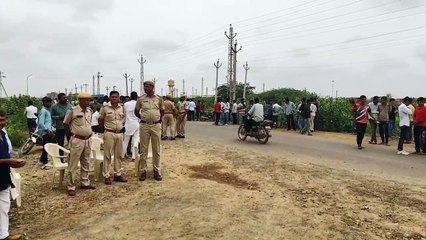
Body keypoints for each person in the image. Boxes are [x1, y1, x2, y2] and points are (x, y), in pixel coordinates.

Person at [63, 93, 95, 196]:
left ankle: (85, 182)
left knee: (86, 161)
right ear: (80, 100)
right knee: (73, 164)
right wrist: (70, 137)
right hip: (77, 139)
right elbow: (65, 124)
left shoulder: (89, 111)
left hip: (87, 140)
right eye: (85, 100)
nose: (88, 102)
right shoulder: (72, 111)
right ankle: (71, 186)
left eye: (89, 100)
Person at [0, 110, 25, 240]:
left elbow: (7, 153)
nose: (1, 123)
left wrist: (13, 163)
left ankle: (4, 235)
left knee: (4, 206)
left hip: (3, 175)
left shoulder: (3, 134)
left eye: (3, 120)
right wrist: (8, 161)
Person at [134, 80, 164, 181]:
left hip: (156, 126)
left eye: (147, 87)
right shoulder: (141, 99)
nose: (145, 88)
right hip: (144, 126)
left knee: (156, 149)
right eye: (144, 87)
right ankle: (143, 171)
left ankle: (156, 171)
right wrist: (144, 118)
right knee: (143, 150)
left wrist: (157, 120)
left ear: (152, 87)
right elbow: (136, 112)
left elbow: (162, 111)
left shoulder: (159, 99)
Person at [98, 91, 128, 185]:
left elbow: (124, 119)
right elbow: (100, 120)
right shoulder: (105, 108)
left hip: (119, 134)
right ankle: (106, 175)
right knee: (107, 155)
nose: (114, 98)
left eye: (116, 97)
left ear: (119, 98)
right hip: (109, 133)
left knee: (118, 155)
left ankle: (117, 174)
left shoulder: (122, 107)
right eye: (113, 97)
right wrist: (105, 129)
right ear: (110, 98)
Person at [122, 91, 140, 160]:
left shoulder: (126, 104)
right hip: (136, 123)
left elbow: (125, 114)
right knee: (135, 140)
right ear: (136, 97)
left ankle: (122, 155)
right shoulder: (138, 103)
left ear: (130, 96)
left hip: (128, 124)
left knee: (125, 141)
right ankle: (134, 157)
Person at [38, 97, 54, 170]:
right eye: (48, 102)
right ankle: (45, 162)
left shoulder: (47, 111)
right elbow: (41, 123)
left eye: (50, 102)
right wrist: (47, 130)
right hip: (46, 132)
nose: (50, 104)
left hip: (48, 131)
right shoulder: (43, 111)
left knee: (46, 146)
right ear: (45, 103)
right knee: (46, 147)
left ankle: (42, 160)